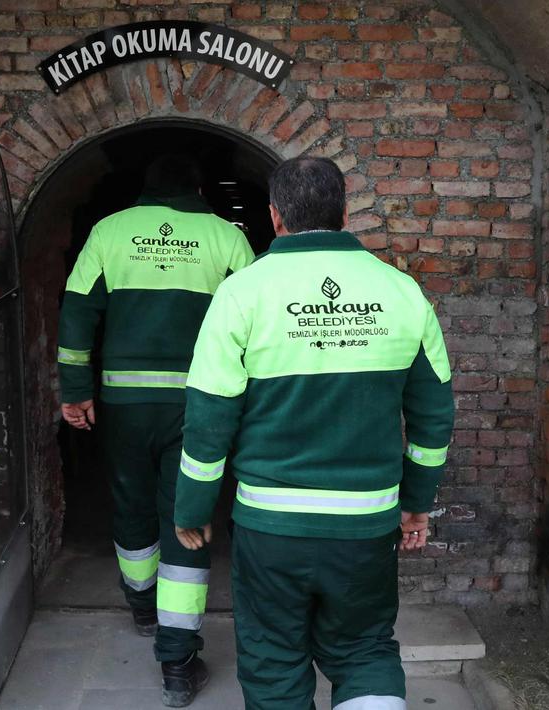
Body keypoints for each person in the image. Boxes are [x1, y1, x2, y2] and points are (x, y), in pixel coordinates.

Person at [173, 156, 455, 710]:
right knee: (365, 650)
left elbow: (209, 419)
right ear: (346, 212)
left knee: (274, 657)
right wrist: (416, 503)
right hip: (365, 524)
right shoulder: (402, 293)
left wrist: (192, 506)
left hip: (272, 525)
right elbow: (433, 418)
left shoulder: (240, 294)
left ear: (274, 216)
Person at [56, 153, 254, 707]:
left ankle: (142, 603)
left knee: (130, 503)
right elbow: (256, 323)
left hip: (124, 404)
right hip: (199, 408)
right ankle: (177, 659)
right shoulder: (226, 238)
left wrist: (76, 391)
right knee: (186, 516)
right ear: (200, 189)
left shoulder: (109, 232)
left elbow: (76, 314)